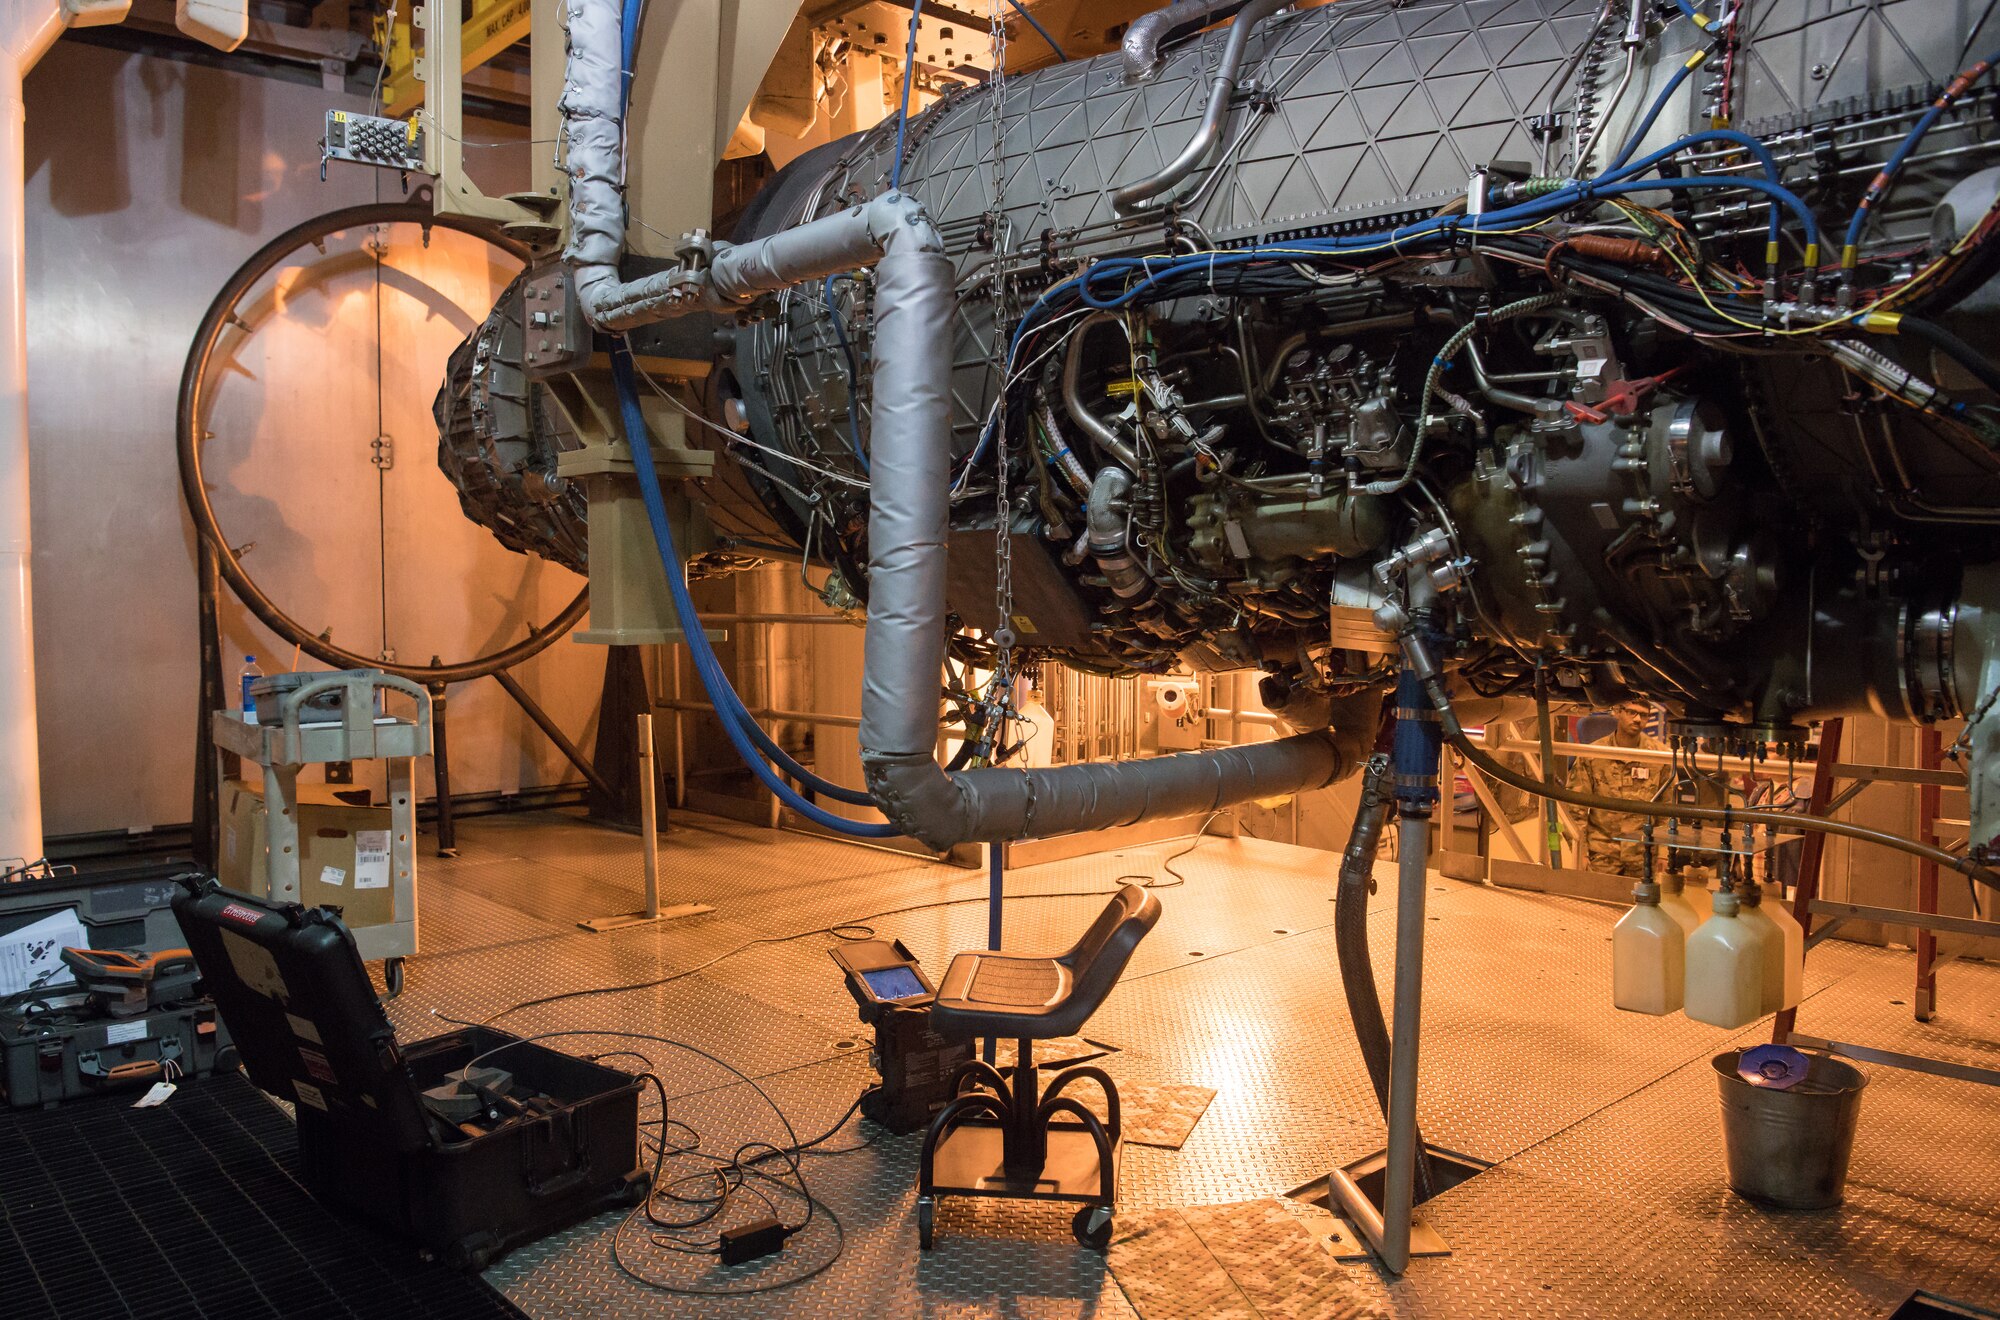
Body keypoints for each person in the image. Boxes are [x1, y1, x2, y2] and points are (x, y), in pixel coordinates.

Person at [1568, 699, 1670, 877]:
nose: (1638, 719)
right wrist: (1580, 851)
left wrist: (1665, 853)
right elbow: (1576, 807)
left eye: (1644, 715)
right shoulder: (1593, 754)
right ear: (1617, 712)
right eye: (1632, 712)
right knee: (1598, 902)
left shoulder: (1659, 756)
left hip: (1643, 854)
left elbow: (1667, 808)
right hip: (1602, 852)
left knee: (1642, 903)